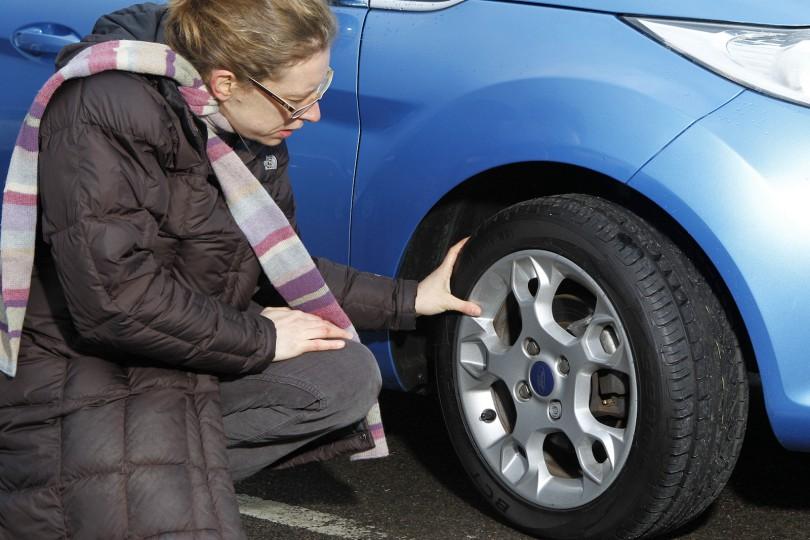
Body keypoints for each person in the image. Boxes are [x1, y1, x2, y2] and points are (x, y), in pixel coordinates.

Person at [0, 1, 480, 538]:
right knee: (153, 508)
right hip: (82, 363)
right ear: (226, 82)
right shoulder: (102, 106)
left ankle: (170, 472)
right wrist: (263, 337)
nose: (313, 115)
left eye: (320, 92)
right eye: (297, 101)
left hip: (178, 346)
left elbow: (277, 263)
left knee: (345, 374)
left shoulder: (241, 126)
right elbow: (114, 302)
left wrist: (412, 299)